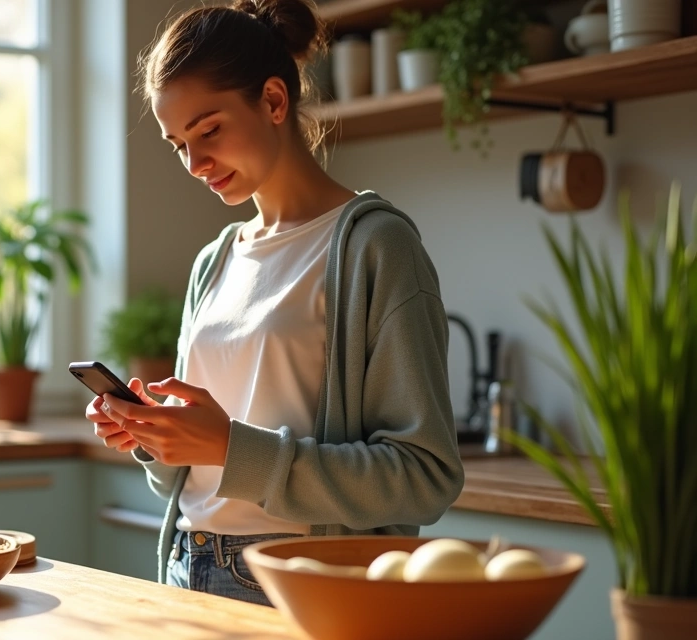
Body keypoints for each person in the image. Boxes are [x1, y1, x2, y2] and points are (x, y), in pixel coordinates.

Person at [84, 0, 465, 606]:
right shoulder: (214, 262)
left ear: (273, 101)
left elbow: (425, 476)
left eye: (208, 129)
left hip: (301, 578)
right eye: (178, 143)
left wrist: (232, 448)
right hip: (187, 567)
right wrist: (154, 437)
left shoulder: (375, 246)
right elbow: (196, 481)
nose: (195, 163)